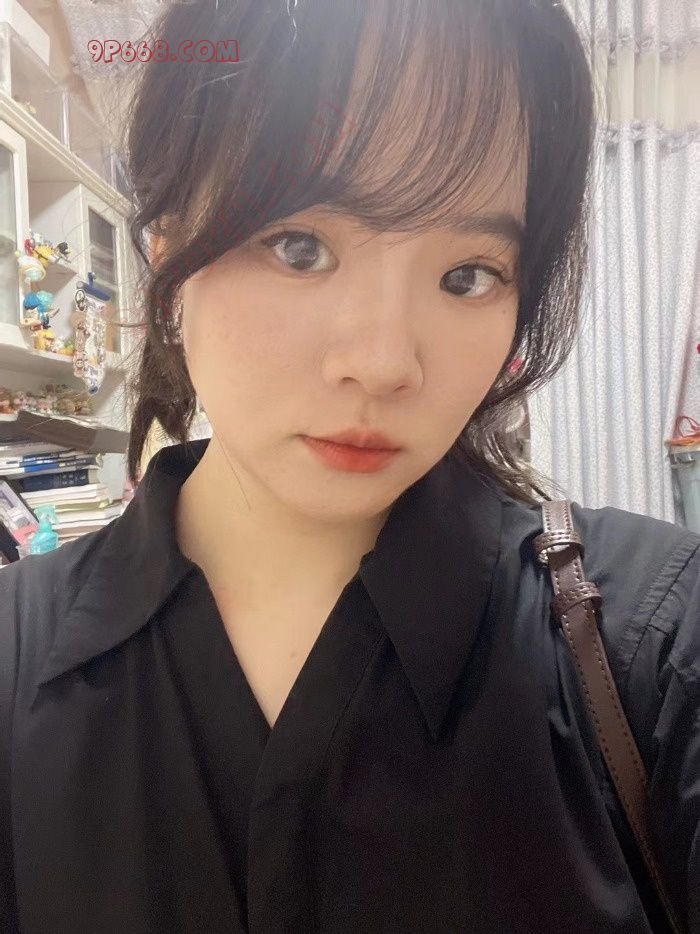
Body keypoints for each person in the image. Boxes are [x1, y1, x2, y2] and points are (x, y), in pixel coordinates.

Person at [1, 1, 698, 932]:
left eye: (468, 275)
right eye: (300, 247)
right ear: (167, 256)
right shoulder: (14, 659)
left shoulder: (652, 647)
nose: (383, 363)